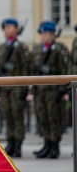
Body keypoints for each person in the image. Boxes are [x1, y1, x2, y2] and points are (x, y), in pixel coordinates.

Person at [29, 21, 68, 159]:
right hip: (40, 90)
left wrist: (63, 90)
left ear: (53, 34)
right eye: (42, 34)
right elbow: (33, 69)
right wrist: (32, 87)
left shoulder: (58, 48)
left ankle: (54, 146)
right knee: (42, 117)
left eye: (47, 34)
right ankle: (46, 144)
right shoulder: (37, 49)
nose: (44, 36)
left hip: (53, 90)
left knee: (53, 118)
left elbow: (64, 70)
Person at [0, 18, 29, 158]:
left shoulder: (21, 46)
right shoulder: (2, 47)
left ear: (16, 29)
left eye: (10, 27)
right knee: (7, 115)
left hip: (16, 86)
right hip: (5, 87)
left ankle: (18, 144)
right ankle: (10, 141)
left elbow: (26, 67)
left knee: (17, 116)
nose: (7, 30)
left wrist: (25, 87)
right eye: (5, 28)